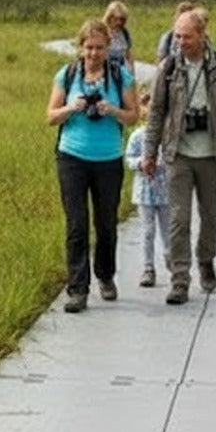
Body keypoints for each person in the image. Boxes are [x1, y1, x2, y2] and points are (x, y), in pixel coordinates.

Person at [142, 7, 216, 305]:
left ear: (202, 34)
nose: (181, 42)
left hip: (212, 152)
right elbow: (156, 112)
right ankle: (179, 279)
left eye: (187, 36)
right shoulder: (169, 67)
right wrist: (150, 152)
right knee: (178, 218)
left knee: (211, 217)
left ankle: (205, 259)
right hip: (178, 153)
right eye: (177, 36)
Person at [48, 18, 138, 313]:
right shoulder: (67, 74)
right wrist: (70, 107)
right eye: (88, 47)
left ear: (107, 48)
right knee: (76, 224)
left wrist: (111, 110)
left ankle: (105, 274)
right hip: (72, 157)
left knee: (106, 223)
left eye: (99, 48)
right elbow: (50, 116)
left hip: (108, 158)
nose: (94, 53)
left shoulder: (120, 76)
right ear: (80, 47)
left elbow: (133, 115)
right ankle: (77, 288)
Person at [125, 92, 170, 287]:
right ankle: (148, 267)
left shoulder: (169, 136)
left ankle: (172, 261)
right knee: (147, 231)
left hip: (166, 191)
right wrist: (140, 163)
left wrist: (160, 163)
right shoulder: (137, 136)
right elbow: (128, 158)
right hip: (144, 191)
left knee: (168, 230)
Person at [103, 0, 135, 75]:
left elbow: (129, 55)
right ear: (109, 17)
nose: (119, 22)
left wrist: (132, 74)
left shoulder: (125, 33)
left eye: (122, 19)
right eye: (116, 19)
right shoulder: (102, 31)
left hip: (120, 71)